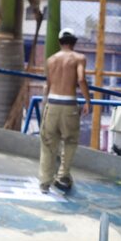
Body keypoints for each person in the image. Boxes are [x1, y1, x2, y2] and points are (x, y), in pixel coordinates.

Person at [38, 28, 92, 193]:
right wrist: (88, 101)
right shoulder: (79, 58)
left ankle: (45, 182)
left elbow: (48, 84)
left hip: (52, 103)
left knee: (48, 143)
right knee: (70, 141)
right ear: (74, 42)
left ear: (59, 42)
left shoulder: (51, 60)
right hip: (69, 104)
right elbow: (81, 79)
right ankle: (62, 175)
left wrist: (45, 105)